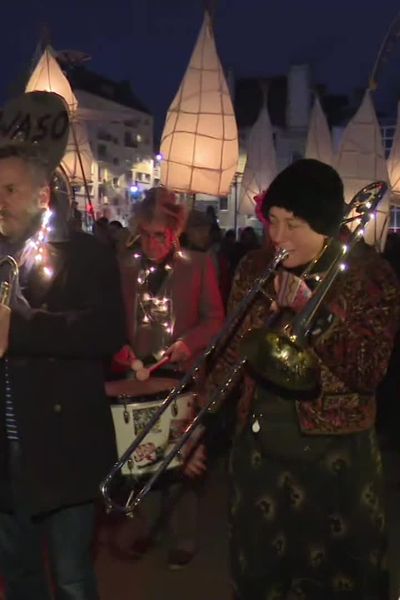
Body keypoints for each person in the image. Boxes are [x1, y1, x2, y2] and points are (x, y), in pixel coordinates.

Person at [208, 159, 400, 599]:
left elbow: (369, 371)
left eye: (293, 224)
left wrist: (316, 318)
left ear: (325, 224)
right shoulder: (256, 266)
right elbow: (231, 352)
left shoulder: (371, 276)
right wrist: (200, 418)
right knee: (261, 574)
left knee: (339, 579)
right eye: (272, 221)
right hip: (258, 450)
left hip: (337, 454)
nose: (277, 237)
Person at [0, 143, 126, 599]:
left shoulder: (86, 254)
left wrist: (21, 329)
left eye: (10, 189)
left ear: (43, 195)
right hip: (5, 454)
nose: (0, 201)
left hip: (63, 449)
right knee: (20, 579)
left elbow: (107, 332)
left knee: (72, 579)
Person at [118, 187, 224, 569]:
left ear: (175, 232)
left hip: (183, 376)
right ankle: (147, 529)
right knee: (143, 457)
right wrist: (122, 352)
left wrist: (185, 345)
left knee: (181, 459)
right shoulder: (126, 266)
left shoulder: (197, 265)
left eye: (159, 235)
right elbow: (115, 322)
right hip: (139, 378)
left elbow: (215, 319)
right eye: (144, 233)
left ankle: (184, 536)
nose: (150, 243)